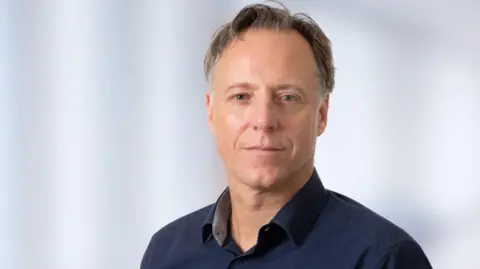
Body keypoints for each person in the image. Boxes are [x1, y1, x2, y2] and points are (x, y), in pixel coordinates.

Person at [140, 2, 433, 268]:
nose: (264, 120)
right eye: (241, 96)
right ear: (211, 113)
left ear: (321, 114)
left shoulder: (383, 258)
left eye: (288, 97)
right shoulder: (165, 254)